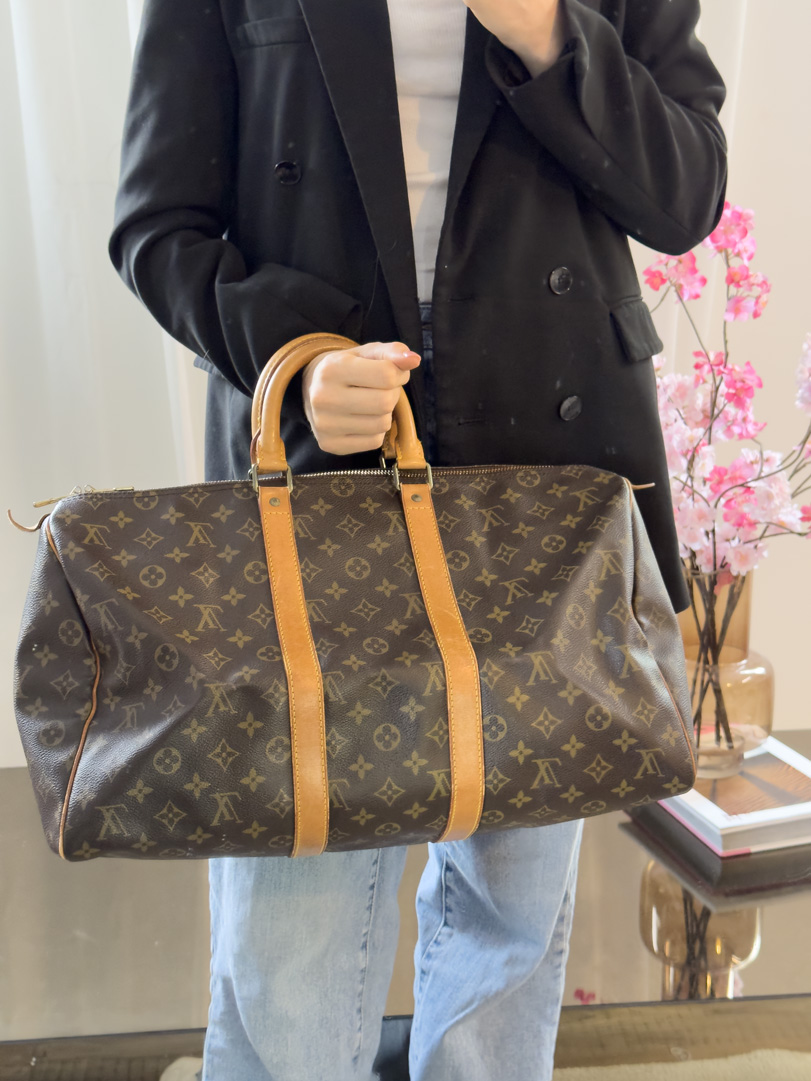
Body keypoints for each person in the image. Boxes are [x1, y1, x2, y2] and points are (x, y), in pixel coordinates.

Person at [110, 2, 726, 1078]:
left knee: (508, 924)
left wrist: (548, 34)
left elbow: (683, 195)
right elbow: (158, 224)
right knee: (290, 930)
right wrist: (297, 358)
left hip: (550, 478)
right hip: (321, 469)